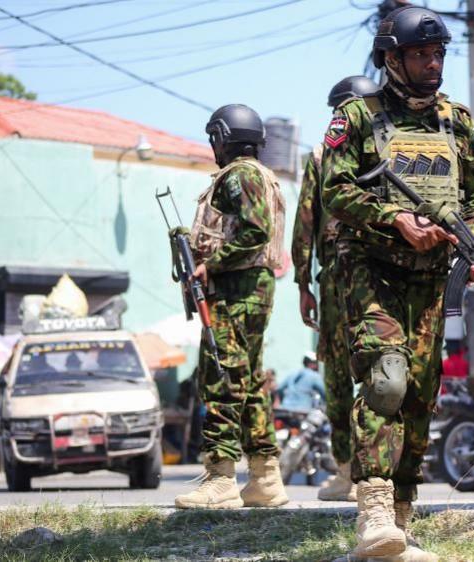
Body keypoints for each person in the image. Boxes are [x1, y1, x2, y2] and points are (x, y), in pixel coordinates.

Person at [320, 6, 474, 559]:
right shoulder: (358, 116)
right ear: (392, 58)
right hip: (372, 271)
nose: (432, 63)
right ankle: (371, 507)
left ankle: (399, 521)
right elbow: (334, 191)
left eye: (439, 53)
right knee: (388, 381)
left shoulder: (457, 122)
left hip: (432, 280)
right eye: (421, 54)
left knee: (420, 397)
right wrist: (393, 218)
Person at [173, 103, 288, 510]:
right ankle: (264, 478)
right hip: (252, 288)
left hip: (238, 290)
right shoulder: (263, 176)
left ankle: (221, 476)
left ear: (223, 138)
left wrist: (210, 265)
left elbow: (255, 231)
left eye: (214, 140)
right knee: (250, 380)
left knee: (220, 375)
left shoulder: (239, 175)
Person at [292, 74, 379, 503]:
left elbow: (306, 220)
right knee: (378, 369)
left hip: (340, 276)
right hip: (383, 277)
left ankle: (350, 473)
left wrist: (301, 282)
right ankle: (375, 473)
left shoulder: (323, 152)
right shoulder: (393, 149)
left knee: (342, 375)